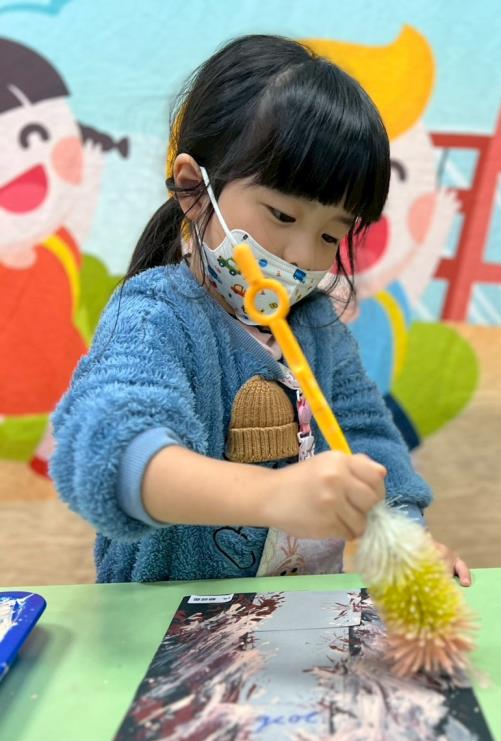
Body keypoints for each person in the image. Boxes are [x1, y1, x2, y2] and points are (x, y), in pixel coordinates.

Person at [51, 34, 471, 586]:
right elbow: (112, 453)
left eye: (330, 234)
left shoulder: (318, 326)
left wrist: (405, 535)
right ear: (193, 190)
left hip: (299, 620)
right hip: (171, 622)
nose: (302, 255)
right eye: (282, 216)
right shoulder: (155, 315)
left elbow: (367, 438)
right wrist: (273, 494)